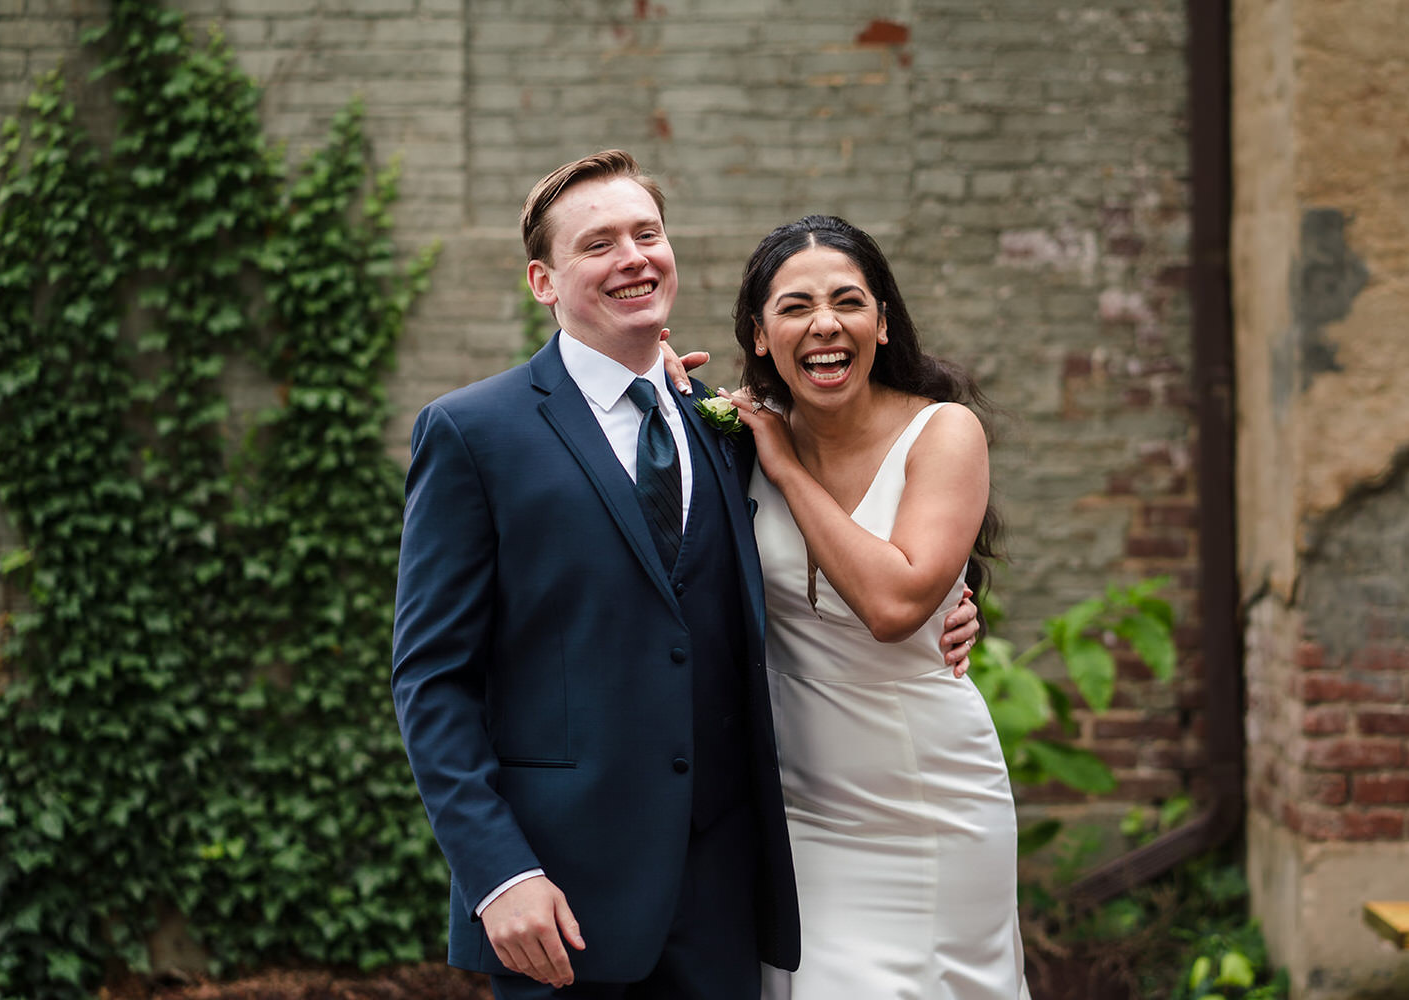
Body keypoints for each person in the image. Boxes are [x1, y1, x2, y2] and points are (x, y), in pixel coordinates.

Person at [391, 153, 979, 999]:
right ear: (542, 281)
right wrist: (498, 875)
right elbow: (431, 678)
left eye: (647, 234)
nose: (633, 257)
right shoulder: (472, 433)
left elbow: (837, 552)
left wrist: (954, 609)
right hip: (562, 901)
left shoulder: (730, 429)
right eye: (598, 244)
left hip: (726, 904)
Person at [721, 215, 1029, 999]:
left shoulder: (944, 432)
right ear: (760, 336)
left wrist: (787, 471)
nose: (824, 324)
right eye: (794, 307)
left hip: (934, 802)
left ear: (882, 322)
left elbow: (893, 606)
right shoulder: (735, 443)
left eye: (848, 301)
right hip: (803, 813)